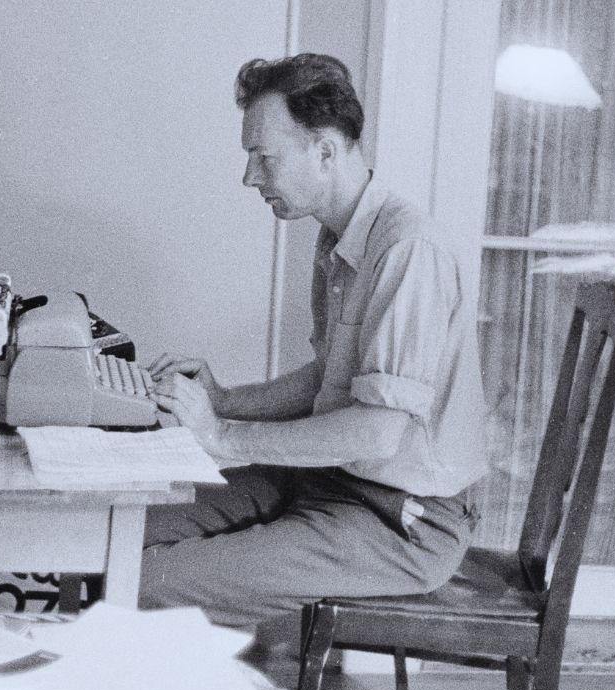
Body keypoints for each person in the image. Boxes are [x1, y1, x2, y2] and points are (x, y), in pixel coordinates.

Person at [141, 53, 488, 628]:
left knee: (149, 580)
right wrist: (223, 399)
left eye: (263, 158)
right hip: (333, 484)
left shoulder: (407, 250)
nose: (250, 177)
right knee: (124, 526)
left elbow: (377, 432)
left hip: (401, 519)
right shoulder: (337, 239)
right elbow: (327, 378)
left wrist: (221, 433)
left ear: (324, 151)